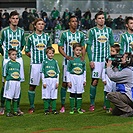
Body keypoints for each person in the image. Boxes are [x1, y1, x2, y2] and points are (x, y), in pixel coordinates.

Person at [86, 11, 114, 111]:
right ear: (96, 20)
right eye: (99, 18)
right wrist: (90, 60)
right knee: (95, 81)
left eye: (103, 18)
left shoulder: (109, 31)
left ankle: (106, 103)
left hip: (107, 61)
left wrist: (112, 59)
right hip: (96, 60)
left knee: (107, 82)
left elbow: (112, 45)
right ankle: (92, 104)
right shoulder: (92, 31)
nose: (102, 20)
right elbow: (88, 47)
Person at [58, 15, 86, 113]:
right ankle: (62, 105)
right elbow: (60, 47)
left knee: (79, 83)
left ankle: (77, 106)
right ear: (69, 23)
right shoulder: (64, 34)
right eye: (72, 21)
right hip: (67, 63)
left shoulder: (81, 35)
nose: (74, 23)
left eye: (76, 21)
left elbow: (83, 47)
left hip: (78, 63)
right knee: (65, 83)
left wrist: (83, 57)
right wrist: (66, 56)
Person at [0, 11, 25, 115]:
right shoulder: (4, 31)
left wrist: (17, 54)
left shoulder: (21, 31)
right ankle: (2, 106)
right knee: (5, 83)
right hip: (7, 60)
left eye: (17, 18)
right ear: (9, 19)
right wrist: (5, 54)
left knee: (18, 83)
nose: (15, 20)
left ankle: (17, 107)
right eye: (13, 18)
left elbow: (22, 44)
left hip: (18, 59)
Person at [25, 18, 51, 113]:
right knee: (32, 85)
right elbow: (27, 51)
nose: (41, 26)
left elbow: (49, 49)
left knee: (48, 84)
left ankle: (48, 105)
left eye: (42, 24)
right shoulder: (30, 37)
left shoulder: (47, 37)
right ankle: (32, 106)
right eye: (39, 24)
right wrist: (33, 57)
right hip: (35, 65)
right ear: (35, 25)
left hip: (45, 65)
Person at [106, 52, 133, 117]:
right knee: (115, 112)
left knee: (110, 95)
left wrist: (108, 67)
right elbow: (119, 74)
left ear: (128, 60)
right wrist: (115, 66)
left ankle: (129, 111)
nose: (120, 59)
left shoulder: (127, 71)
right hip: (130, 96)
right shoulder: (129, 69)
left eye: (123, 58)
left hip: (130, 96)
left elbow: (112, 76)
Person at [67, 43, 86, 114]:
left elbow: (84, 71)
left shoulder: (82, 60)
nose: (78, 52)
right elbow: (68, 71)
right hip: (72, 77)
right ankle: (72, 108)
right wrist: (68, 81)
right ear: (73, 50)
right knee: (72, 93)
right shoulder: (71, 60)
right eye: (77, 50)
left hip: (80, 78)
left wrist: (84, 80)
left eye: (80, 50)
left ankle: (78, 108)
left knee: (79, 93)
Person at [3, 48, 22, 117]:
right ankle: (8, 112)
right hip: (10, 82)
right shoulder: (8, 64)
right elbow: (4, 73)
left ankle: (15, 111)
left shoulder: (18, 64)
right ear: (9, 56)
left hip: (17, 82)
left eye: (15, 55)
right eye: (13, 54)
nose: (14, 56)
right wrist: (6, 81)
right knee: (9, 97)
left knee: (16, 97)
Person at [102, 44, 120, 113]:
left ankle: (117, 107)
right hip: (108, 78)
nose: (111, 52)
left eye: (113, 51)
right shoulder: (108, 58)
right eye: (111, 51)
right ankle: (107, 107)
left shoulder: (119, 59)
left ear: (117, 52)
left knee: (116, 92)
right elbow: (104, 69)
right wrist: (103, 78)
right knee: (107, 91)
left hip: (115, 78)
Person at [42, 47, 60, 115]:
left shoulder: (55, 62)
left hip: (54, 80)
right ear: (46, 54)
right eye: (49, 53)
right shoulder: (44, 62)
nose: (51, 55)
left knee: (54, 95)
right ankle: (46, 109)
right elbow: (42, 72)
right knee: (46, 95)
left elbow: (57, 72)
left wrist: (57, 82)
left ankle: (54, 109)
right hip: (47, 79)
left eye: (52, 53)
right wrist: (44, 82)